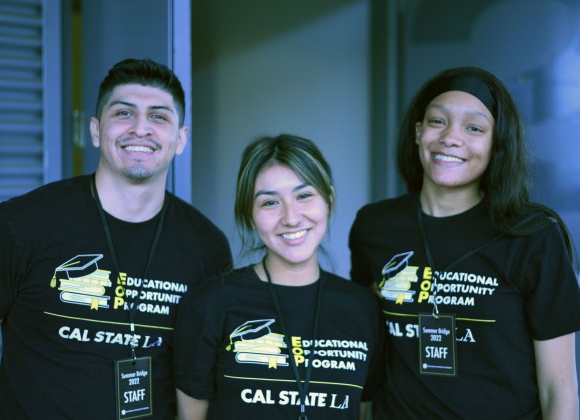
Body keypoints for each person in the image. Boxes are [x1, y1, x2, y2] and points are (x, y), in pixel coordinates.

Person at [0, 58, 232, 419]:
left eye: (159, 116)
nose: (141, 129)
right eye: (124, 114)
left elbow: (202, 376)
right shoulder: (19, 225)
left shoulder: (208, 247)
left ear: (180, 139)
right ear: (96, 131)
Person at [349, 66, 580, 419]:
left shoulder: (533, 236)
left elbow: (558, 389)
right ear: (417, 132)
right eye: (437, 121)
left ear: (496, 144)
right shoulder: (375, 226)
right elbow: (370, 353)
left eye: (474, 128)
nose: (450, 138)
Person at [174, 134, 383, 419]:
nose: (291, 218)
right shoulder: (211, 303)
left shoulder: (363, 309)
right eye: (270, 203)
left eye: (304, 196)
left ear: (329, 201)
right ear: (250, 215)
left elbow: (360, 411)